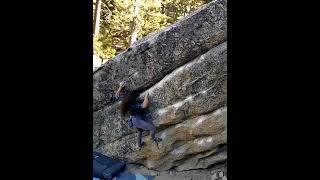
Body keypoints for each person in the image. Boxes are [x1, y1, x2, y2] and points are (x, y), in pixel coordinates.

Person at [115, 81, 161, 148]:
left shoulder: (125, 100)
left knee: (140, 131)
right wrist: (146, 96)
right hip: (137, 120)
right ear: (131, 99)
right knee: (152, 128)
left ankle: (139, 145)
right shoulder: (132, 106)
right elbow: (144, 105)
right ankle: (154, 138)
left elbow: (116, 95)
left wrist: (120, 87)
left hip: (134, 119)